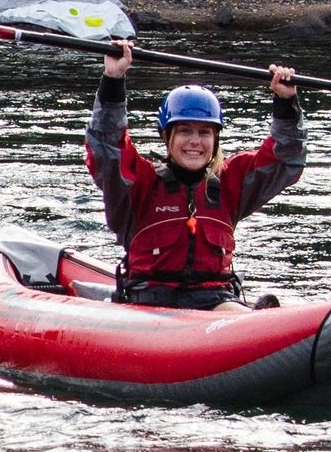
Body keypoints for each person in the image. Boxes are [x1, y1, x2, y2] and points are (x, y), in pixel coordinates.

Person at [88, 41, 301, 310]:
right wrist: (113, 79)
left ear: (215, 139)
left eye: (204, 133)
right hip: (147, 306)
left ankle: (258, 326)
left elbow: (285, 159)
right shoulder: (139, 184)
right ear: (168, 137)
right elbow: (106, 149)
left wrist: (285, 102)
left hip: (214, 304)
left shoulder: (229, 185)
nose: (195, 142)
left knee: (247, 314)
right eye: (185, 131)